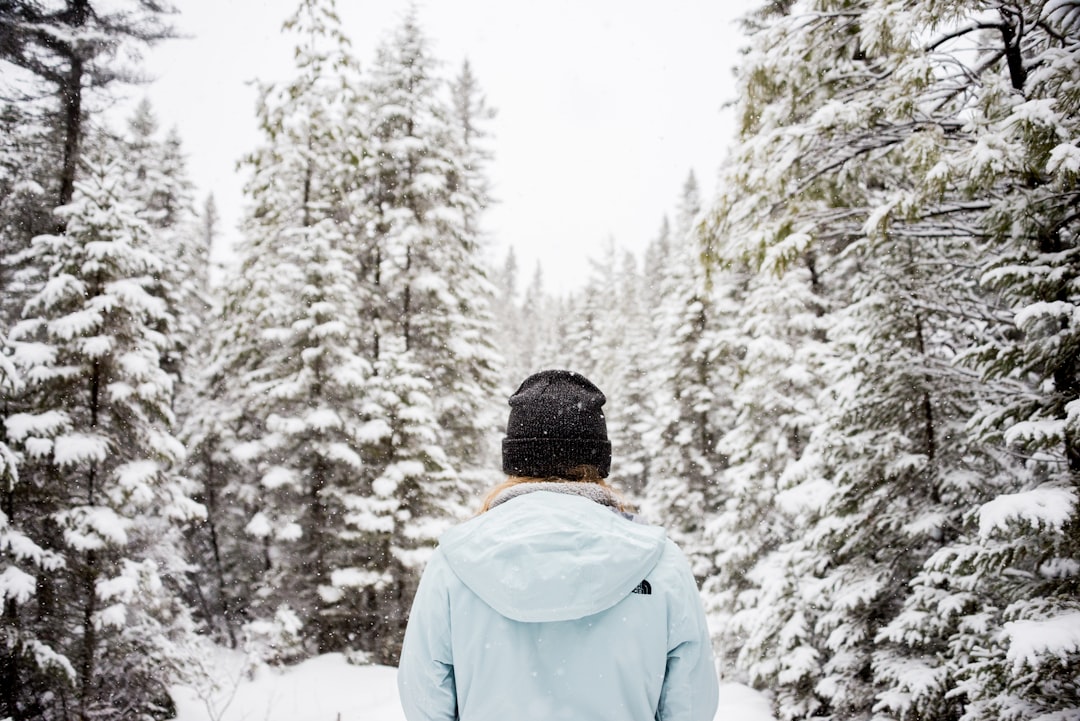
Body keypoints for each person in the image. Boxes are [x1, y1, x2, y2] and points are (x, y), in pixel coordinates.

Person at [397, 369, 719, 721]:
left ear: (515, 460)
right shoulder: (660, 562)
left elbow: (426, 702)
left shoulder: (455, 562)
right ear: (598, 462)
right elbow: (690, 706)